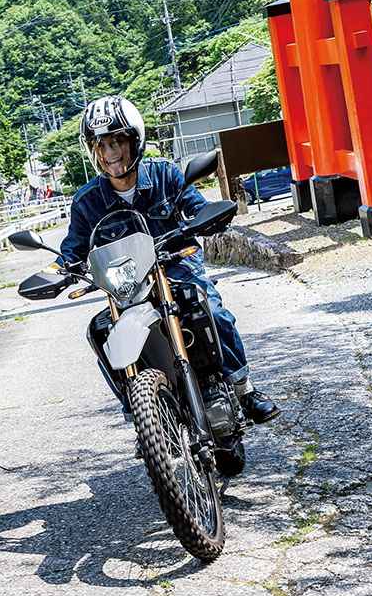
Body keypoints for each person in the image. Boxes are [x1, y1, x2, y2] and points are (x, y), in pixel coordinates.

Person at [59, 96, 280, 427]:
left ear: (135, 140)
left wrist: (209, 216)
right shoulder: (87, 201)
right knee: (101, 331)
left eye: (117, 141)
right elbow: (72, 248)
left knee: (211, 309)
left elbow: (196, 206)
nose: (110, 153)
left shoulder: (165, 175)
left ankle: (243, 389)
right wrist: (57, 270)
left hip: (177, 269)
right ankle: (141, 412)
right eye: (101, 145)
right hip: (128, 288)